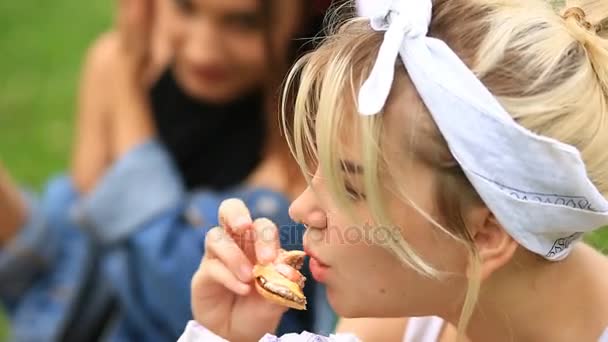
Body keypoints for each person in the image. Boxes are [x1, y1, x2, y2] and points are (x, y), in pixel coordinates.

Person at [177, 0, 608, 340]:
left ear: (486, 234)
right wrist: (224, 336)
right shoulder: (404, 326)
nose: (301, 209)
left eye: (352, 187)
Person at [0, 0, 336, 341]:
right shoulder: (125, 63)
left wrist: (124, 90)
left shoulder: (313, 133)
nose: (202, 50)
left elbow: (177, 291)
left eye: (244, 23)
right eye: (185, 9)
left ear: (306, 15)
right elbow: (79, 270)